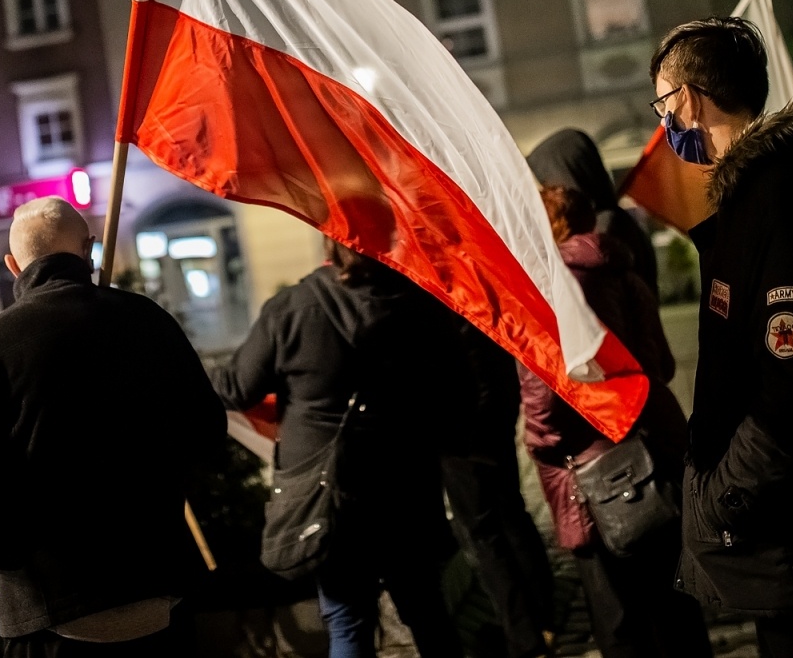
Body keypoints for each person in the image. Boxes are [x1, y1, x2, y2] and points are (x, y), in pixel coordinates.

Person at [649, 17, 793, 657]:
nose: (664, 122)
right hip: (788, 529)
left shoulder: (782, 196)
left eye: (663, 104)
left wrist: (723, 496)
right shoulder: (752, 196)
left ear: (689, 100)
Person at [0, 197, 227, 656]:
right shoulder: (149, 322)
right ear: (88, 249)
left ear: (13, 265)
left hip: (49, 611)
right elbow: (206, 433)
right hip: (158, 595)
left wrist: (0, 570)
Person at [212, 239, 466, 658]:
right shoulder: (420, 305)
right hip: (408, 483)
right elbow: (459, 389)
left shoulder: (293, 308)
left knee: (347, 618)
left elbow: (237, 388)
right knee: (427, 610)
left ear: (330, 243)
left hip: (331, 494)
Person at [521, 185, 712, 658]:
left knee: (618, 616)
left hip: (593, 470)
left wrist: (540, 441)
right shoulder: (624, 272)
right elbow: (661, 363)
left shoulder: (550, 286)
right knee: (676, 603)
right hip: (655, 447)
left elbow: (543, 393)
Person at [441, 316, 557, 658]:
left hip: (464, 430)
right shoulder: (472, 293)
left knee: (485, 532)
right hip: (493, 413)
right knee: (510, 513)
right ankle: (542, 615)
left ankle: (524, 635)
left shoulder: (442, 301)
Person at [527, 128, 659, 295]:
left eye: (549, 181)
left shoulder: (604, 226)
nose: (551, 192)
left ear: (566, 174)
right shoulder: (613, 218)